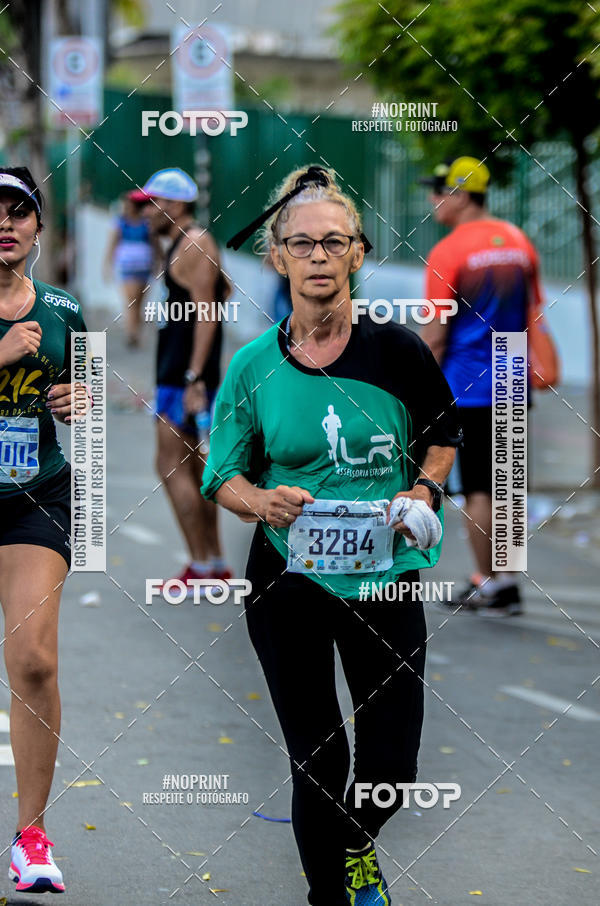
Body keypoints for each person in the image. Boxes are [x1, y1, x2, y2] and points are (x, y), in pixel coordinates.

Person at [202, 165, 462, 906]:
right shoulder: (252, 367)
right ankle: (331, 893)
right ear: (277, 256)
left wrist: (423, 488)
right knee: (319, 757)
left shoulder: (398, 351)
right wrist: (262, 503)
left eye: (334, 242)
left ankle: (355, 846)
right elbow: (222, 475)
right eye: (302, 243)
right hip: (288, 580)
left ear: (356, 255)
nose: (318, 255)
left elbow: (444, 434)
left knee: (390, 766)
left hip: (384, 577)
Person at [0, 166, 89, 893]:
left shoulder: (63, 307)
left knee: (33, 660)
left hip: (35, 494)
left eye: (17, 212)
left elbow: (82, 400)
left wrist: (75, 399)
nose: (5, 224)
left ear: (37, 228)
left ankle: (31, 837)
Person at [420, 156, 542, 615]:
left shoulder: (449, 252)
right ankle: (506, 580)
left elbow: (434, 333)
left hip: (468, 385)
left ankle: (490, 582)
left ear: (461, 194)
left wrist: (420, 390)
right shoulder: (517, 242)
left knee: (477, 488)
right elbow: (534, 313)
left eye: (439, 190)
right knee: (506, 484)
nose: (434, 199)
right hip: (512, 375)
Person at [141, 168, 232, 589]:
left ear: (174, 205)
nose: (144, 213)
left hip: (184, 377)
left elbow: (209, 313)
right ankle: (212, 563)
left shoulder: (193, 243)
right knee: (193, 470)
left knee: (170, 464)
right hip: (177, 373)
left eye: (151, 204)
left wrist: (195, 378)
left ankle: (201, 565)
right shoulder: (181, 241)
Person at [103, 189, 156, 347]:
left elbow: (155, 244)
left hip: (144, 266)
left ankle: (135, 330)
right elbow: (112, 244)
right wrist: (108, 265)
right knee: (131, 301)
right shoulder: (120, 222)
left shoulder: (146, 222)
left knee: (139, 301)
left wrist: (159, 261)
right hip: (127, 267)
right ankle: (132, 332)